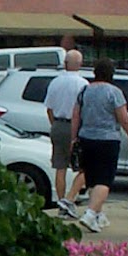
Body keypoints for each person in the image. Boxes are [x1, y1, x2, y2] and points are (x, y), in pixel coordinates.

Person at [69, 58, 128, 233]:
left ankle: (98, 216)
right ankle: (90, 213)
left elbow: (76, 116)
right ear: (111, 73)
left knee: (92, 178)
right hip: (107, 140)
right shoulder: (114, 92)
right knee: (104, 180)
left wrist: (74, 138)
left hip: (86, 138)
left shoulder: (85, 90)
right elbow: (123, 118)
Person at [42, 49, 89, 218]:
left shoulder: (55, 82)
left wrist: (55, 124)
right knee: (84, 167)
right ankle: (70, 199)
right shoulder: (83, 84)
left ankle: (62, 202)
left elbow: (49, 108)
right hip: (76, 127)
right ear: (80, 64)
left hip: (58, 124)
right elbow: (85, 109)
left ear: (65, 64)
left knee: (60, 167)